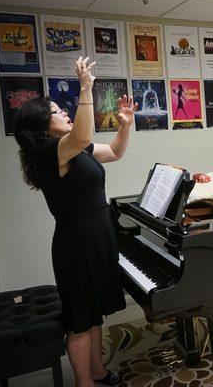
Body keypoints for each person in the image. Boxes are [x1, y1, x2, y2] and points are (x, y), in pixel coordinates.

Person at [14, 56, 137, 387]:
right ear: (42, 126)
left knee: (93, 313)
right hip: (77, 242)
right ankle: (85, 382)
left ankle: (97, 371)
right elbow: (82, 137)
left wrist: (125, 124)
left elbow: (113, 152)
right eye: (57, 111)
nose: (65, 112)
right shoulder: (50, 153)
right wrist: (85, 88)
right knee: (80, 319)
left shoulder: (71, 149)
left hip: (96, 234)